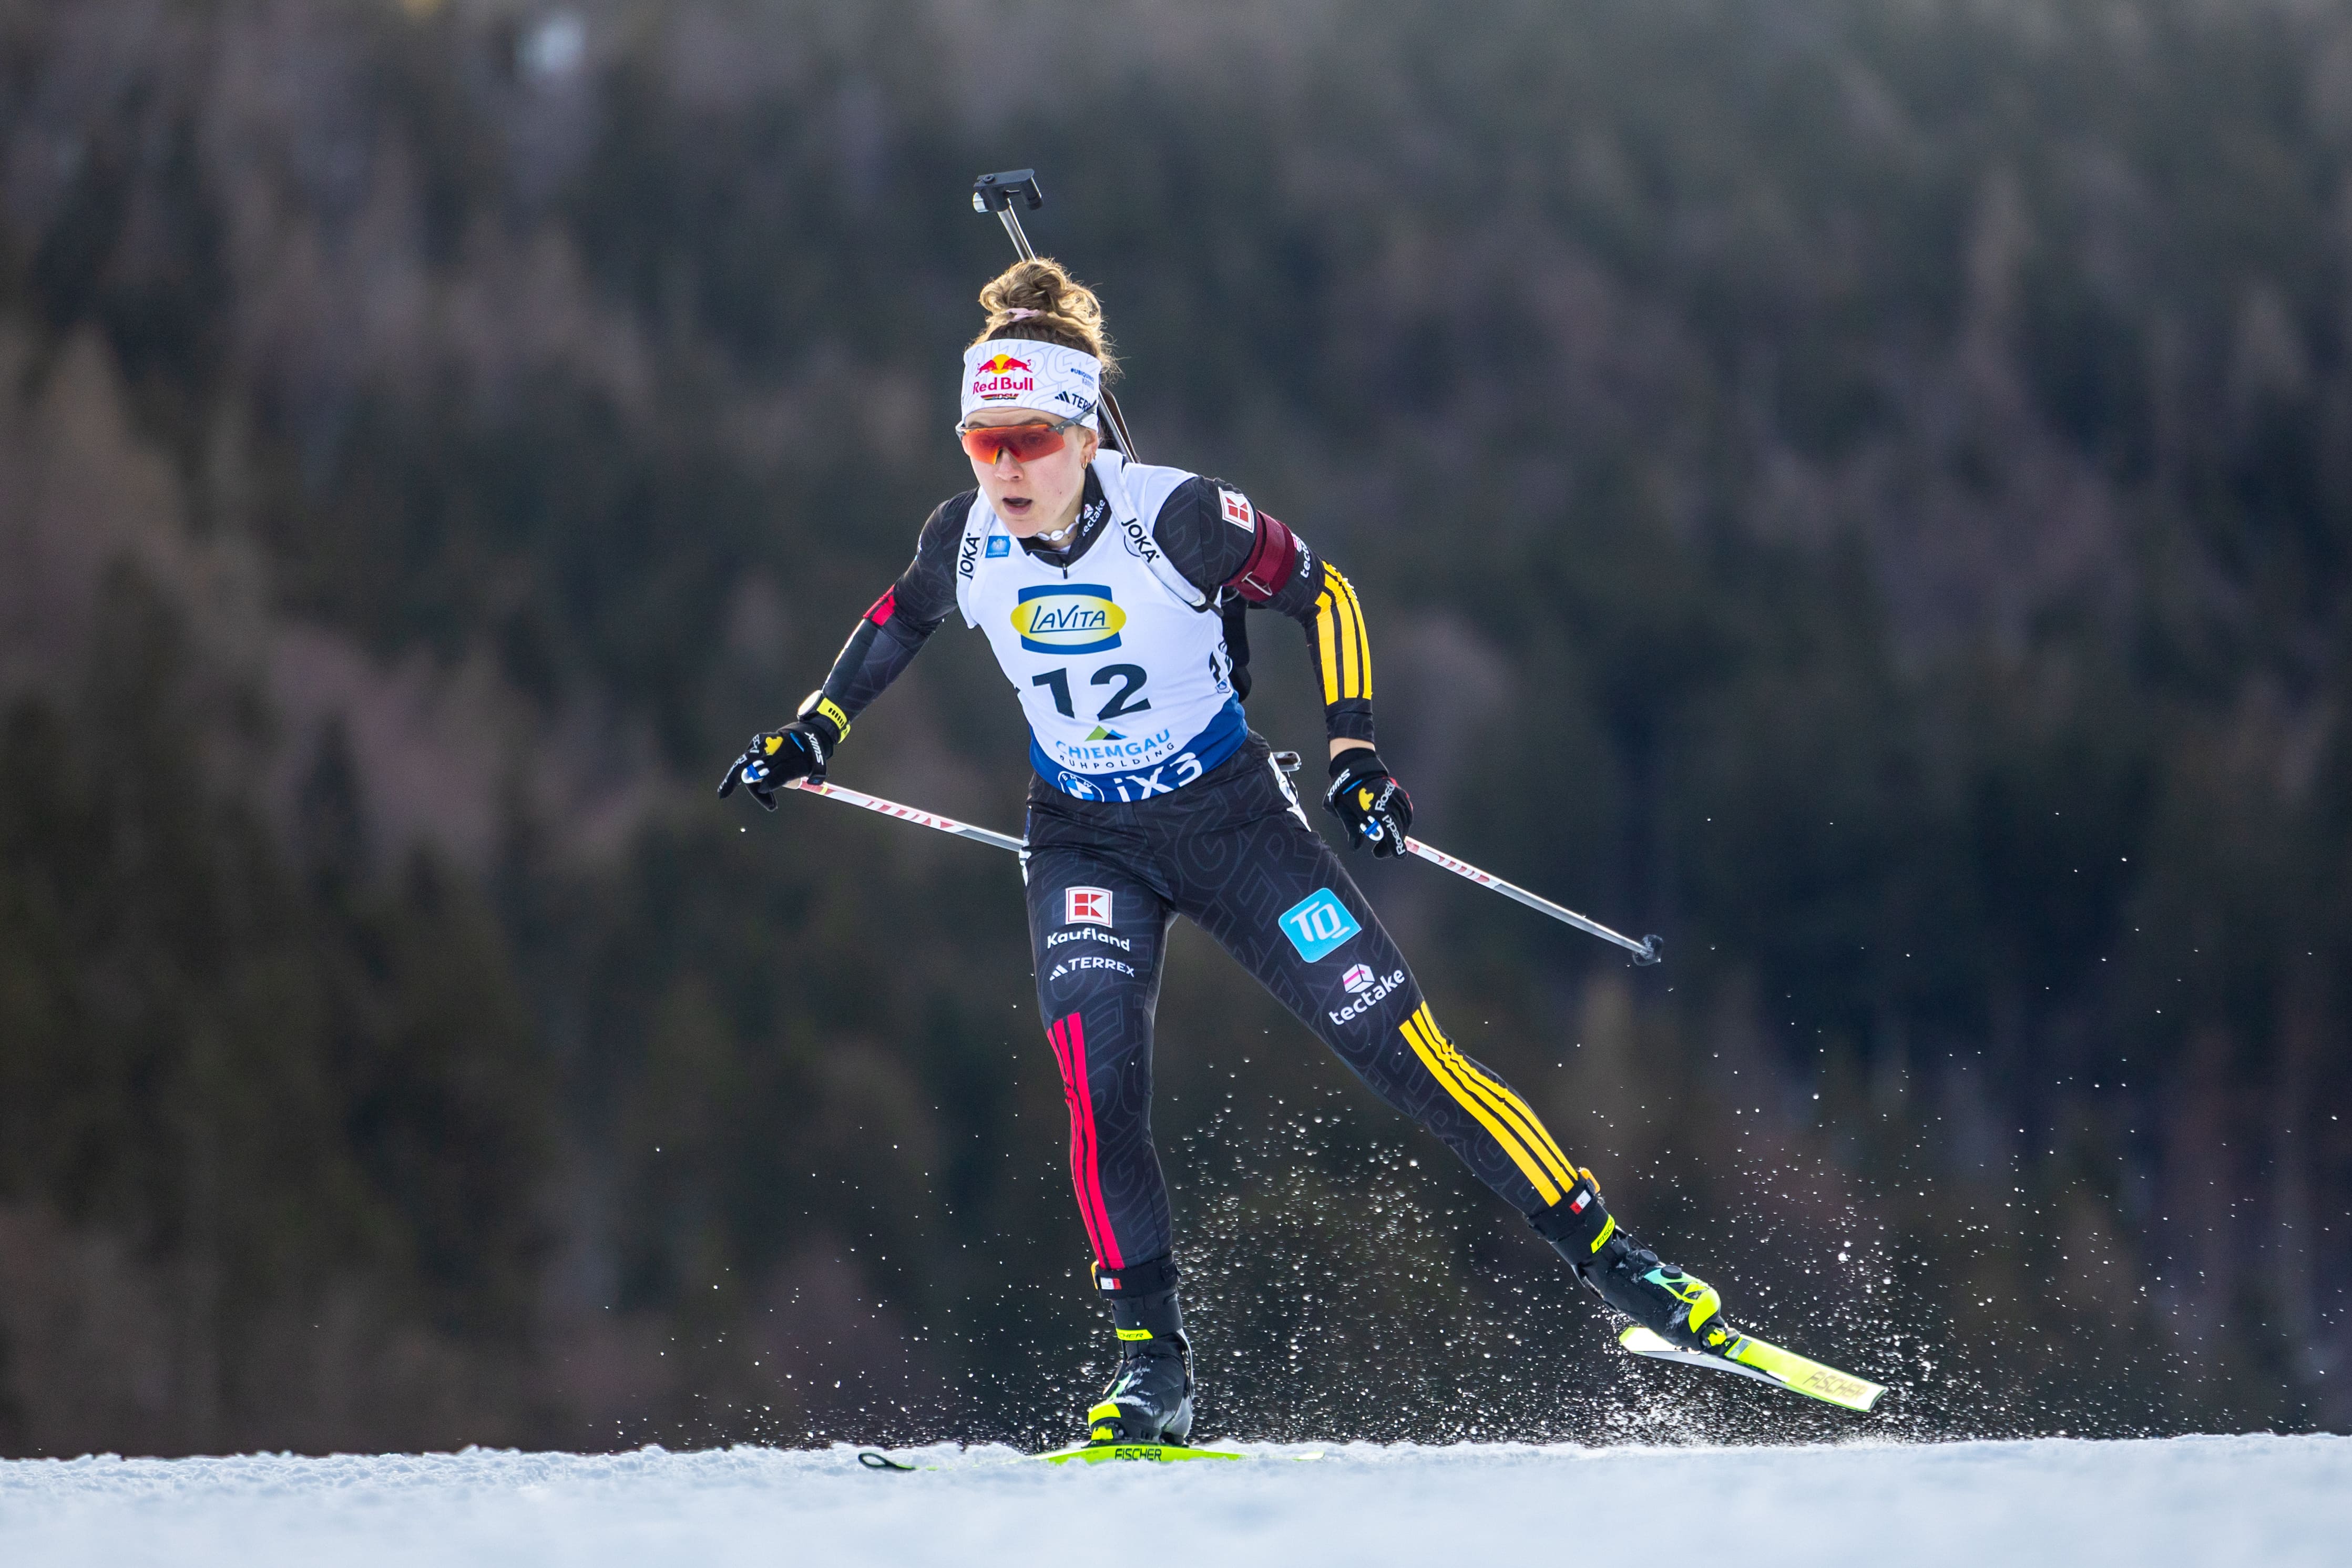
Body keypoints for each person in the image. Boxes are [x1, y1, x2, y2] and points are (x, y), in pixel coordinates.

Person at [720, 258, 1734, 1447]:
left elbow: (1326, 594)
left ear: (1086, 433)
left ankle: (1616, 1264)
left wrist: (1353, 751)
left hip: (1232, 824)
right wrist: (815, 729)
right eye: (981, 443)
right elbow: (899, 617)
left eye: (1030, 441)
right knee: (1098, 1083)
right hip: (1083, 839)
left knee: (1399, 1049)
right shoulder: (963, 538)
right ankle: (1151, 1368)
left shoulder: (1182, 518)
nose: (1003, 470)